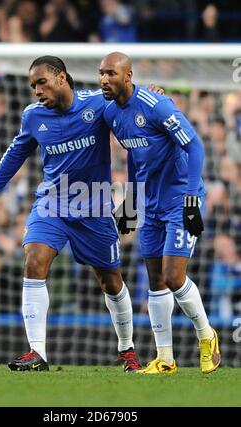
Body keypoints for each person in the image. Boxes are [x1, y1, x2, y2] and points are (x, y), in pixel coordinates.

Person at [0, 55, 144, 373]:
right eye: (32, 85)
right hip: (52, 203)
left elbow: (133, 130)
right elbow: (16, 152)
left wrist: (151, 95)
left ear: (61, 77)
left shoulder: (98, 106)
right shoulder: (33, 116)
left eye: (41, 82)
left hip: (94, 207)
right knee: (34, 260)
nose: (36, 90)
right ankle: (37, 353)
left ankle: (127, 349)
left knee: (111, 281)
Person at [99, 52, 221, 374]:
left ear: (128, 76)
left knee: (173, 276)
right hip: (150, 202)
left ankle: (207, 337)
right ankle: (165, 359)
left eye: (110, 73)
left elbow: (194, 146)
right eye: (100, 73)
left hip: (180, 198)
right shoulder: (112, 114)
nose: (103, 80)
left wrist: (192, 198)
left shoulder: (157, 105)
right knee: (155, 280)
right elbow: (133, 157)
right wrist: (129, 204)